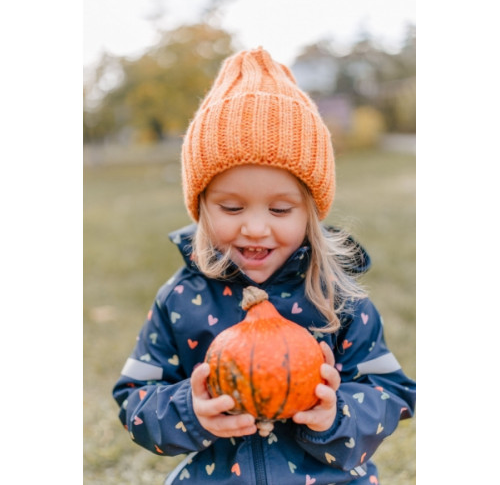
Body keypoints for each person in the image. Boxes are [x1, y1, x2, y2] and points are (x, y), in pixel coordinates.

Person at [112, 47, 416, 484]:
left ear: (311, 213)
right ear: (200, 209)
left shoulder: (338, 299)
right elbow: (134, 397)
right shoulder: (181, 300)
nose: (255, 228)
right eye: (232, 207)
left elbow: (391, 392)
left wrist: (336, 413)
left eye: (279, 210)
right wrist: (190, 411)